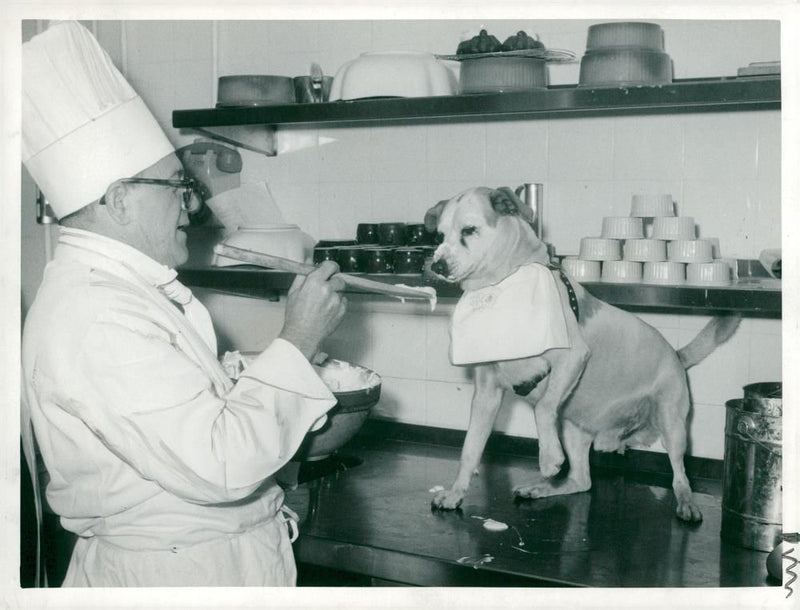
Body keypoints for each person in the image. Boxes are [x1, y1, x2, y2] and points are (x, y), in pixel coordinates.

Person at [20, 21, 346, 587]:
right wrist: (298, 338)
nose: (192, 207)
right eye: (177, 187)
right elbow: (220, 464)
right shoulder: (97, 315)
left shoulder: (121, 291)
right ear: (120, 201)